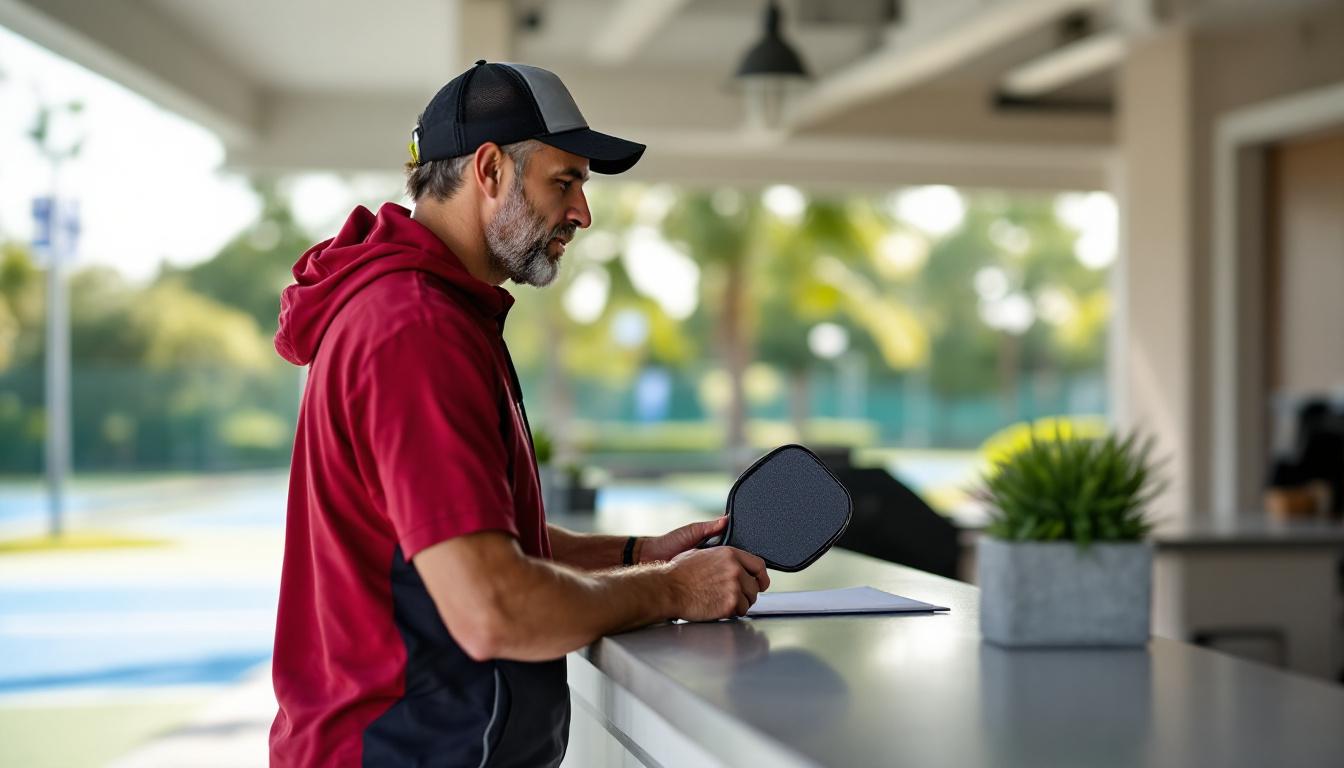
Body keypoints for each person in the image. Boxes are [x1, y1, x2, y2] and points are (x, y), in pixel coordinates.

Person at [268, 60, 771, 767]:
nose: (582, 212)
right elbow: (494, 609)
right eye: (564, 182)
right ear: (490, 170)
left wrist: (637, 554)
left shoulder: (428, 311)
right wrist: (672, 587)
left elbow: (470, 539)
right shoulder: (416, 330)